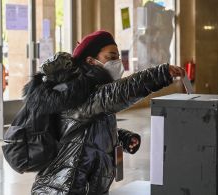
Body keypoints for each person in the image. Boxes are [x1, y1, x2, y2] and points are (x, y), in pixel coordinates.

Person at [29, 30, 185, 194]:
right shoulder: (77, 92)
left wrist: (122, 138)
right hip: (60, 190)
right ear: (91, 60)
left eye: (118, 57)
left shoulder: (93, 92)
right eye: (110, 57)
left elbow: (83, 132)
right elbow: (119, 93)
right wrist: (160, 73)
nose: (117, 62)